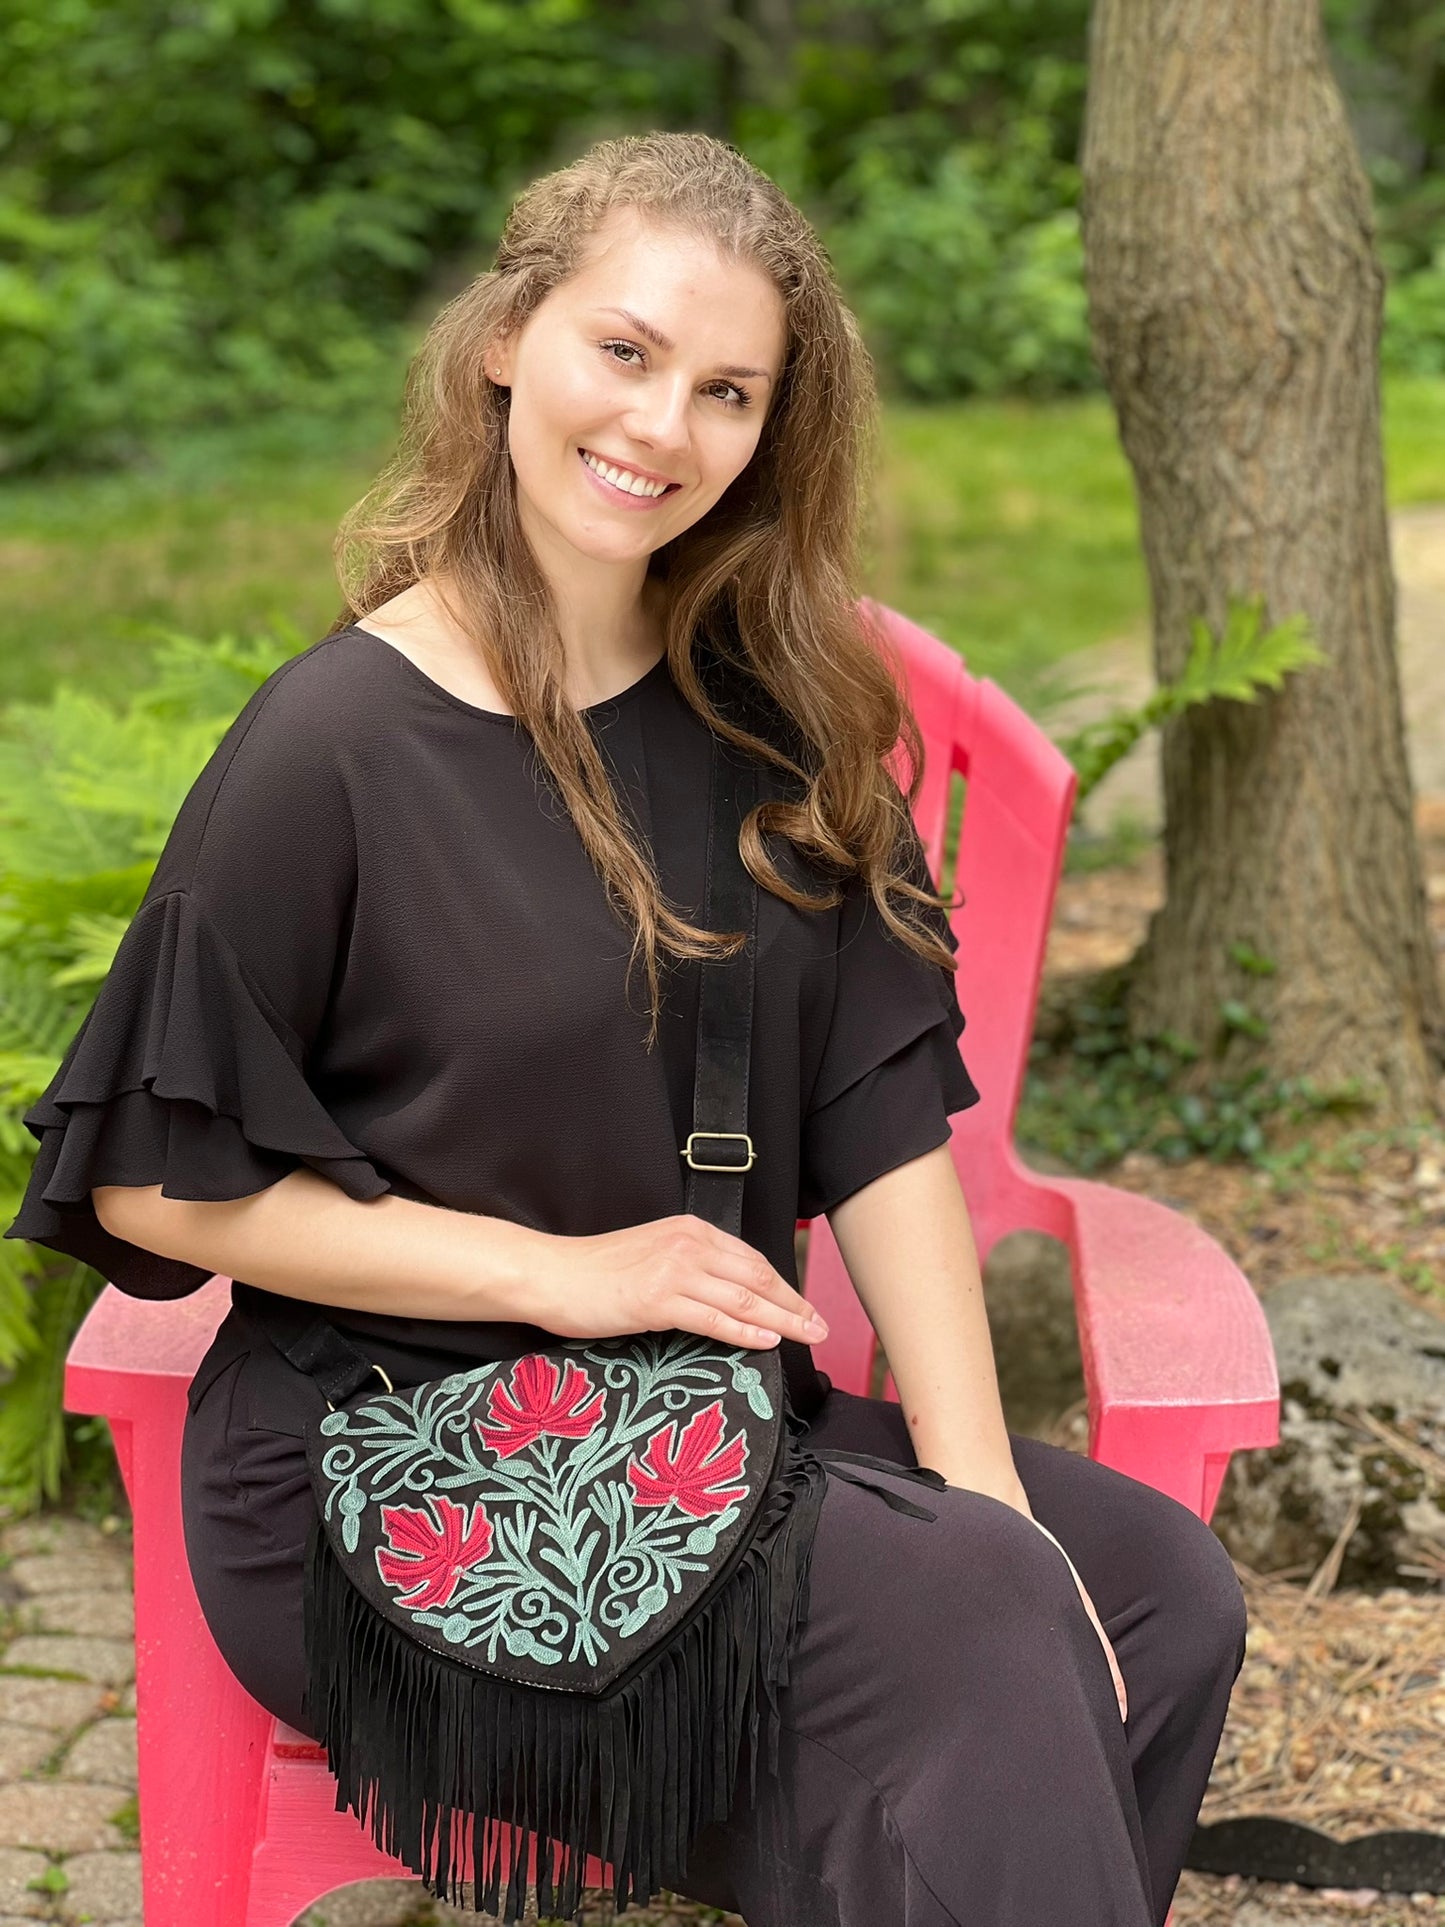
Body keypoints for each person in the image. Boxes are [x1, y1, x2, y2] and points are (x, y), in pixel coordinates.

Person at [6, 131, 1246, 1927]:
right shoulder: (329, 750)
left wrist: (983, 1490)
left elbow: (882, 1114)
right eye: (626, 351)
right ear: (510, 337)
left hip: (695, 1424)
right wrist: (561, 1274)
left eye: (727, 389)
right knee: (975, 1650)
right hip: (388, 1466)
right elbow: (156, 1194)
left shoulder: (777, 717)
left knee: (1146, 1591)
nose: (664, 426)